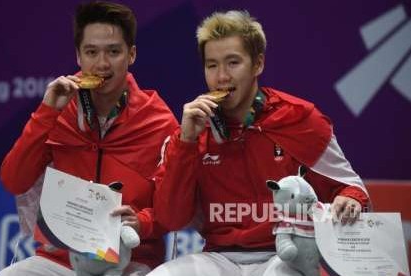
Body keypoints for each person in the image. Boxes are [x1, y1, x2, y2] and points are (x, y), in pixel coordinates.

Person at [149, 10, 370, 276]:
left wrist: (350, 198)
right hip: (218, 258)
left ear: (258, 64)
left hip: (286, 255)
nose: (221, 77)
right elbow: (170, 218)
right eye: (212, 65)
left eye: (233, 63)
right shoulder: (192, 130)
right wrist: (186, 142)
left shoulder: (299, 119)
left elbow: (350, 187)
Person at [0, 1, 178, 275]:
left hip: (131, 262)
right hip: (60, 261)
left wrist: (143, 221)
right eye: (91, 52)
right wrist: (47, 112)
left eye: (114, 52)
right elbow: (14, 180)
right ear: (79, 57)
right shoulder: (60, 109)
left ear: (132, 55)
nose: (102, 64)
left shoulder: (158, 121)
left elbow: (174, 210)